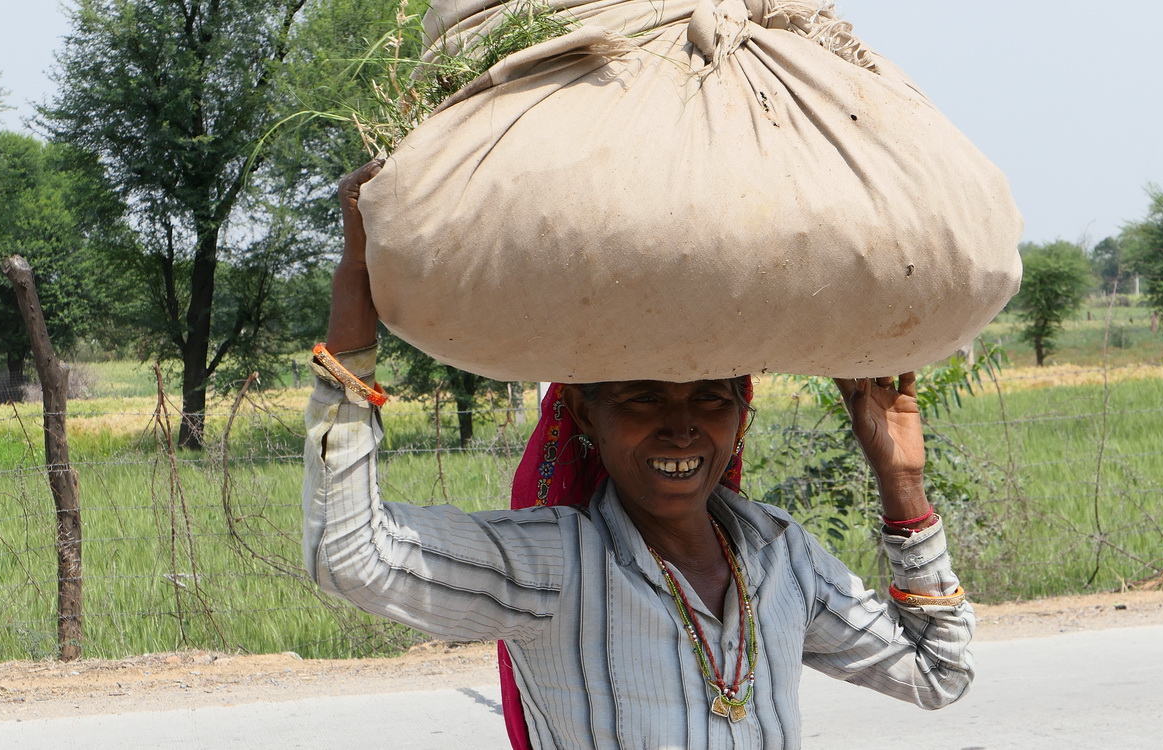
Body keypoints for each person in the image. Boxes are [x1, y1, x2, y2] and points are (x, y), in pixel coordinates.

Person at [303, 161, 975, 749]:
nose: (679, 428)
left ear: (741, 417)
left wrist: (901, 481)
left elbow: (937, 674)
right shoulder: (555, 565)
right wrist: (356, 280)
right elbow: (349, 556)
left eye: (710, 398)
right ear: (582, 416)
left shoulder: (781, 557)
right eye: (642, 397)